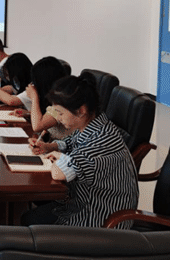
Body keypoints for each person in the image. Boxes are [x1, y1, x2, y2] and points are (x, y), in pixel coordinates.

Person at [21, 74, 138, 228]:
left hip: (99, 219)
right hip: (82, 202)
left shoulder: (100, 141)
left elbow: (59, 173)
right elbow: (71, 142)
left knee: (30, 219)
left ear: (81, 110)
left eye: (60, 113)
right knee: (31, 213)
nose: (59, 118)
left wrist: (59, 156)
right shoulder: (96, 125)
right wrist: (50, 147)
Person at [15, 56, 69, 139]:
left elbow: (37, 127)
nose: (33, 84)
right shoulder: (57, 96)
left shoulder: (62, 102)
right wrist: (28, 113)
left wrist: (34, 97)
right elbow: (47, 117)